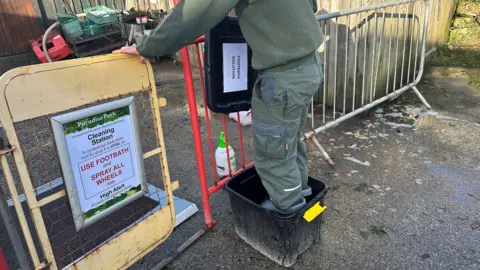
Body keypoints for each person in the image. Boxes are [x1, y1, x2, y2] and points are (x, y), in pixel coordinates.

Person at [114, 0, 323, 215]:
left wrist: (149, 46)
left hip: (283, 76)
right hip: (308, 65)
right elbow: (311, 5)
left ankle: (289, 211)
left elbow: (194, 12)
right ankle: (302, 195)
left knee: (274, 154)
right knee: (288, 141)